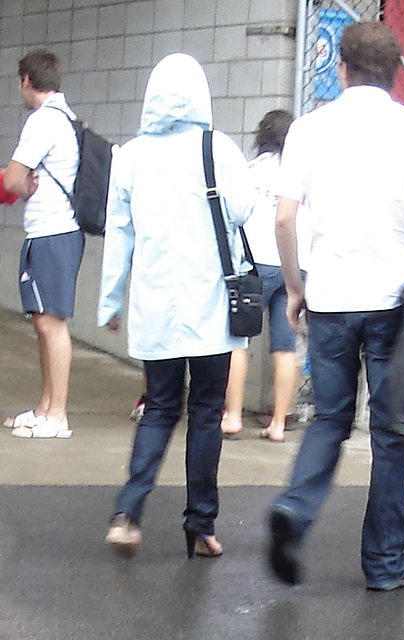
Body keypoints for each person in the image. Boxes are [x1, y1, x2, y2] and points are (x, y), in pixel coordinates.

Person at [267, 21, 404, 589]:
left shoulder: (308, 129)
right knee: (390, 432)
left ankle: (294, 512)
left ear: (341, 68)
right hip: (393, 303)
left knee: (329, 419)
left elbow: (284, 216)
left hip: (329, 297)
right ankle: (384, 566)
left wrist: (296, 287)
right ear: (396, 75)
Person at [98, 53, 254, 559]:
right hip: (210, 306)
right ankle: (200, 527)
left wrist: (110, 301)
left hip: (154, 305)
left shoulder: (132, 156)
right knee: (206, 413)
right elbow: (244, 209)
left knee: (160, 409)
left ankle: (127, 513)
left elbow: (119, 233)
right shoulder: (218, 148)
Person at [2, 48, 84, 439]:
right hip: (55, 232)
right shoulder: (64, 118)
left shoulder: (43, 121)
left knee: (52, 323)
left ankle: (58, 416)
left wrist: (22, 179)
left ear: (25, 81)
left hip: (53, 231)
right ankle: (45, 407)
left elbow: (14, 181)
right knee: (42, 321)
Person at [221, 110, 311, 442]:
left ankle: (232, 417)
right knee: (285, 346)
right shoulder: (301, 176)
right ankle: (277, 424)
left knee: (237, 341)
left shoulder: (249, 171)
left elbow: (234, 217)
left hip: (253, 265)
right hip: (294, 265)